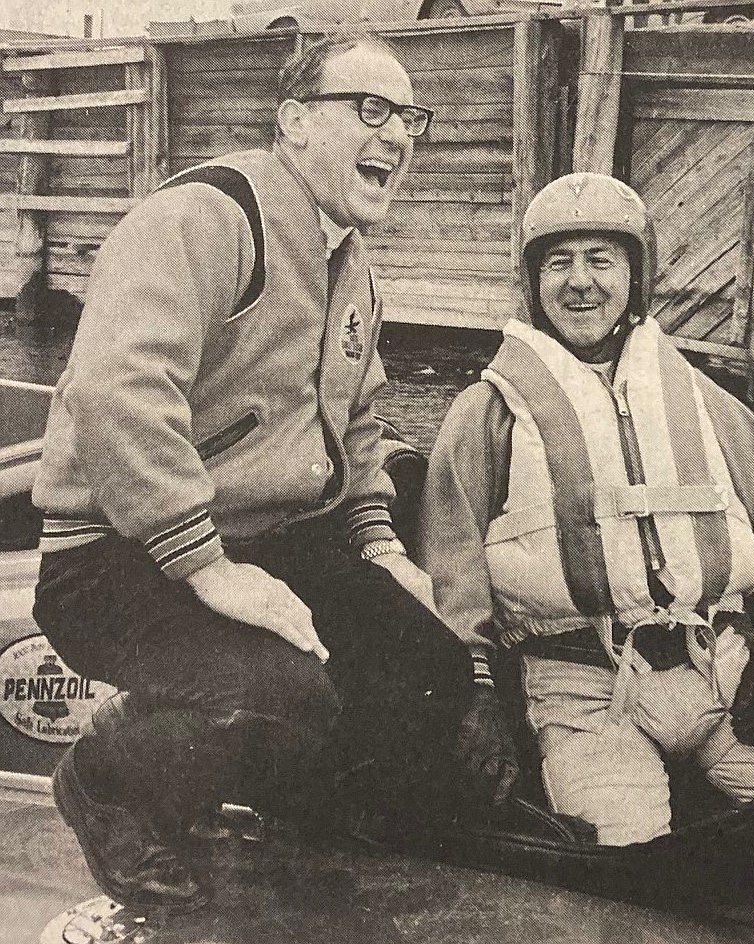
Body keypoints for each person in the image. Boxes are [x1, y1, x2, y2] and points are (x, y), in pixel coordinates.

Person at [31, 33, 517, 914]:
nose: (397, 134)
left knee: (433, 670)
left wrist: (379, 546)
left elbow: (355, 426)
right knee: (283, 695)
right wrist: (209, 568)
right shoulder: (209, 218)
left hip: (265, 545)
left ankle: (318, 823)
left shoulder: (353, 270)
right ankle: (104, 781)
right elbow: (114, 390)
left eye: (410, 117)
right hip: (113, 559)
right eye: (369, 109)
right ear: (294, 121)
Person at [419, 173, 754, 847]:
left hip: (720, 674)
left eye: (600, 260)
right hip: (580, 696)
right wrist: (476, 692)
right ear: (533, 281)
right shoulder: (485, 414)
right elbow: (448, 577)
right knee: (627, 856)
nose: (579, 282)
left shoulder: (710, 405)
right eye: (558, 262)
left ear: (635, 276)